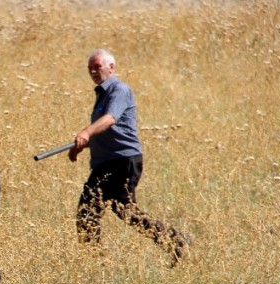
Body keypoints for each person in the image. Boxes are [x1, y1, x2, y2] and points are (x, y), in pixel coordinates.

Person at [68, 49, 190, 266]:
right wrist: (85, 143)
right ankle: (94, 263)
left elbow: (110, 119)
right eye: (90, 68)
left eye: (98, 66)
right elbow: (107, 130)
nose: (93, 71)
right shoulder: (103, 93)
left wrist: (86, 133)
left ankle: (176, 242)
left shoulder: (119, 90)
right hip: (107, 163)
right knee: (89, 213)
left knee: (123, 211)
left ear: (111, 67)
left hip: (122, 162)